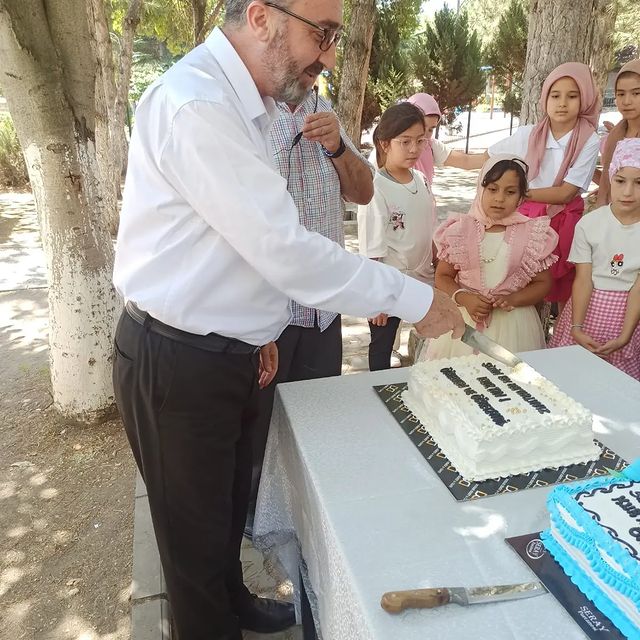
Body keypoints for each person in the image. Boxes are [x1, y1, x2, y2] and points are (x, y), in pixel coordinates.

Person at [111, 1, 464, 639]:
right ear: (262, 16)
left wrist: (263, 329)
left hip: (233, 350)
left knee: (225, 511)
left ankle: (234, 599)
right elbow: (284, 248)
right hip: (178, 362)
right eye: (321, 35)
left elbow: (233, 242)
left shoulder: (254, 105)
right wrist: (414, 298)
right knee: (190, 554)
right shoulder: (198, 105)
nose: (328, 56)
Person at [246, 86, 374, 535]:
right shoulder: (250, 115)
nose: (317, 63)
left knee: (319, 413)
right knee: (259, 422)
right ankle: (255, 515)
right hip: (269, 310)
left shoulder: (326, 111)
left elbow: (363, 191)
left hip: (323, 308)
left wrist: (338, 146)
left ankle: (308, 510)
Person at [486, 62, 601, 314]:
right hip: (527, 217)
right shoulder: (529, 133)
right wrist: (446, 156)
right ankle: (528, 334)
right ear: (544, 98)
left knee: (562, 286)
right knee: (524, 282)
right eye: (555, 95)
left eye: (572, 96)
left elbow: (566, 192)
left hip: (563, 221)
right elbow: (488, 157)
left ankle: (561, 339)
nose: (562, 103)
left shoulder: (589, 139)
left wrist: (518, 193)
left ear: (586, 99)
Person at [426, 155, 558, 359]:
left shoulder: (533, 234)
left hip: (514, 324)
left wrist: (513, 298)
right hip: (464, 321)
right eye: (493, 189)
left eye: (510, 192)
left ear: (522, 196)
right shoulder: (460, 230)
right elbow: (443, 276)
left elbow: (543, 282)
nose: (499, 198)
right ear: (481, 189)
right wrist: (464, 297)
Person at [550, 138, 640, 380]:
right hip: (585, 311)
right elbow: (583, 279)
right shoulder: (590, 223)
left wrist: (625, 336)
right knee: (570, 381)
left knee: (617, 387)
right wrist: (577, 328)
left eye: (639, 182)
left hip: (629, 320)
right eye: (620, 181)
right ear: (610, 178)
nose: (628, 191)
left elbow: (638, 288)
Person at [357, 102, 438, 370]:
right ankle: (376, 395)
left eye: (420, 141)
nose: (414, 149)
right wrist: (377, 299)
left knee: (430, 344)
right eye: (405, 142)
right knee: (382, 346)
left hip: (424, 281)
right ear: (384, 143)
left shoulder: (420, 179)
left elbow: (428, 228)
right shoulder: (375, 188)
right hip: (391, 286)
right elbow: (371, 249)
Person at [368, 92, 484, 185]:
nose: (425, 136)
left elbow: (466, 161)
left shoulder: (431, 146)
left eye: (431, 129)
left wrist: (498, 153)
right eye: (422, 127)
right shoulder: (383, 152)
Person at [596, 59, 640, 206]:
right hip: (616, 217)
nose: (627, 101)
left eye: (636, 93)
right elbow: (605, 185)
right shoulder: (616, 135)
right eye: (621, 94)